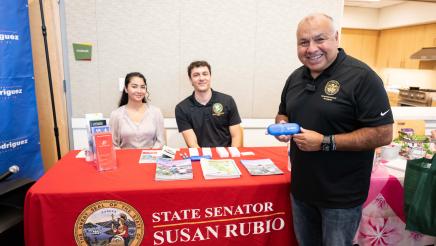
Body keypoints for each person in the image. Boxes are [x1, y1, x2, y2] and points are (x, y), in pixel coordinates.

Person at [275, 13, 393, 246]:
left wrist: (325, 141)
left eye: (320, 39)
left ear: (336, 38)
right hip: (301, 190)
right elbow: (283, 112)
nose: (311, 49)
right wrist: (282, 125)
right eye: (303, 42)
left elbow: (383, 133)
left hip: (341, 197)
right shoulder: (295, 77)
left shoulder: (362, 77)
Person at [175, 61, 242, 147]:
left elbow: (236, 136)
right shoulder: (181, 108)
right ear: (190, 80)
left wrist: (231, 158)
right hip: (201, 156)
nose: (201, 78)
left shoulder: (227, 101)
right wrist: (204, 159)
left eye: (205, 74)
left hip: (226, 156)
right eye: (196, 75)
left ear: (210, 77)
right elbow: (192, 144)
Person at [110, 72, 165, 149]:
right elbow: (113, 145)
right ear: (126, 89)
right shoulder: (116, 114)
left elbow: (161, 142)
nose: (139, 91)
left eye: (142, 87)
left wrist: (148, 156)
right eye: (134, 87)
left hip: (150, 159)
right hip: (125, 159)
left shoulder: (156, 112)